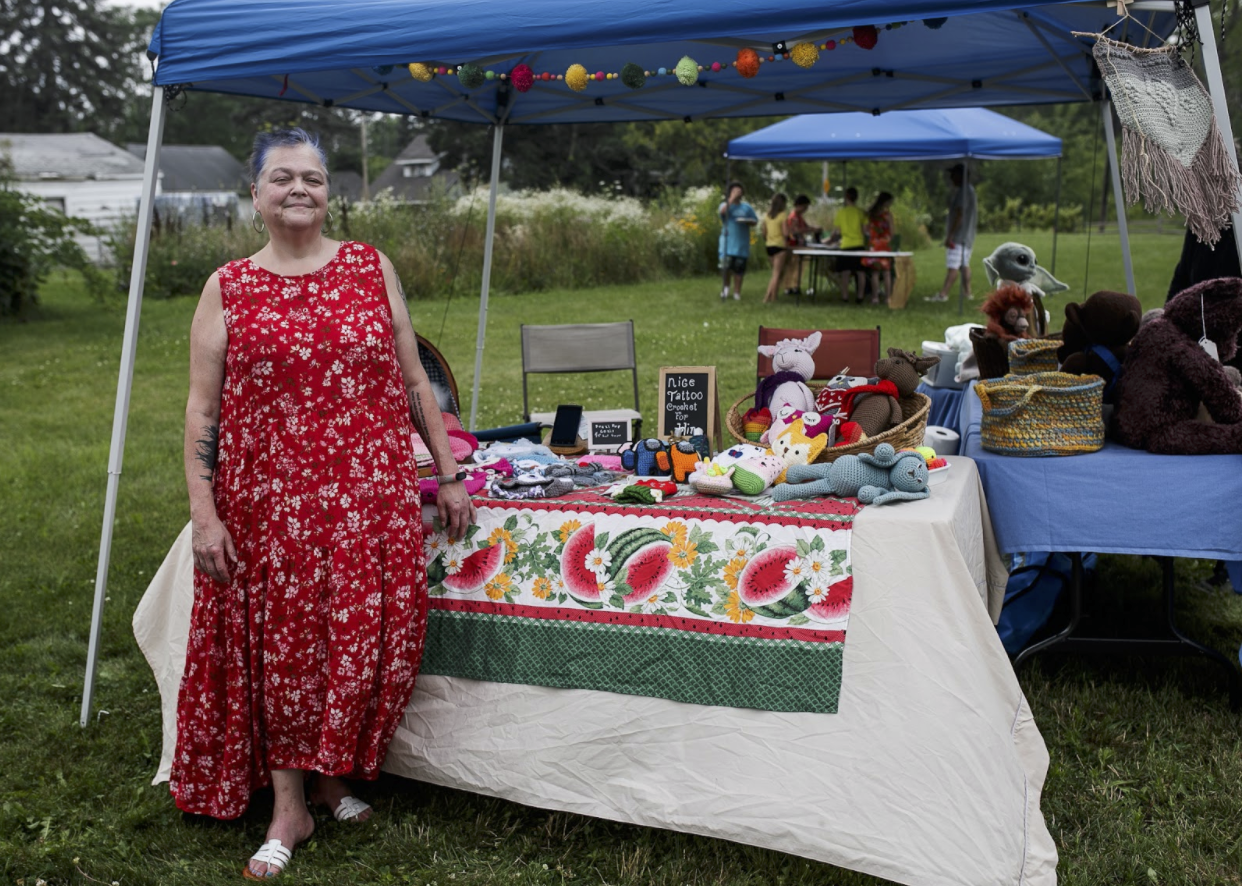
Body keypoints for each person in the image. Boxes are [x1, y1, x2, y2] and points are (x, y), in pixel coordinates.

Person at [176, 128, 477, 880]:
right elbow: (201, 415)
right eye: (282, 178)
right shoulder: (228, 286)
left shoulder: (372, 267)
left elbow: (415, 382)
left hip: (366, 499)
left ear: (328, 190)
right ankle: (290, 807)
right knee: (283, 652)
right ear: (255, 194)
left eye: (312, 177)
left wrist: (447, 472)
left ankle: (331, 772)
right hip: (269, 505)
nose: (300, 189)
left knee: (361, 645)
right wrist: (205, 515)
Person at [927, 163, 978, 303]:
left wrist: (950, 235)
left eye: (953, 174)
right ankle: (968, 292)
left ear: (960, 175)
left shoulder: (963, 192)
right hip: (968, 236)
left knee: (953, 266)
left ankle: (943, 294)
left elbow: (960, 214)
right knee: (964, 264)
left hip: (959, 236)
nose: (950, 178)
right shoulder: (970, 190)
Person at [718, 181, 758, 300]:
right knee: (725, 268)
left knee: (739, 269)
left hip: (741, 244)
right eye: (735, 191)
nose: (737, 193)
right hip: (727, 243)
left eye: (739, 191)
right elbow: (723, 213)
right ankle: (725, 288)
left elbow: (755, 221)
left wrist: (748, 221)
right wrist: (731, 199)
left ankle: (737, 292)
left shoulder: (746, 207)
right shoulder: (724, 205)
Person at [831, 187, 868, 303]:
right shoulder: (860, 212)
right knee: (860, 272)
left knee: (845, 273)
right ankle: (860, 296)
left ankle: (845, 296)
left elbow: (838, 231)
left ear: (846, 198)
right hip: (858, 244)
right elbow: (865, 230)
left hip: (845, 245)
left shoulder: (841, 213)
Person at [782, 194, 824, 296]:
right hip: (794, 245)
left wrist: (813, 228)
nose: (806, 210)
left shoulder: (799, 217)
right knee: (795, 266)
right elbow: (795, 230)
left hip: (799, 244)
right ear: (800, 205)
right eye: (805, 207)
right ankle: (792, 286)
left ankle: (792, 285)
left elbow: (806, 226)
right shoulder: (794, 217)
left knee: (797, 266)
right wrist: (810, 230)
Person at [862, 191, 895, 305]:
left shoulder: (871, 214)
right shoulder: (887, 215)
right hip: (884, 244)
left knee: (875, 273)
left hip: (874, 245)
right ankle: (887, 298)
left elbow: (865, 229)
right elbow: (892, 232)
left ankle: (875, 297)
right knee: (886, 272)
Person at [761, 192, 790, 304]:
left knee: (777, 272)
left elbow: (764, 232)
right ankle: (768, 298)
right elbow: (785, 233)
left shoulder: (767, 216)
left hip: (769, 246)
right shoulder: (782, 215)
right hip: (779, 246)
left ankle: (774, 295)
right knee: (776, 274)